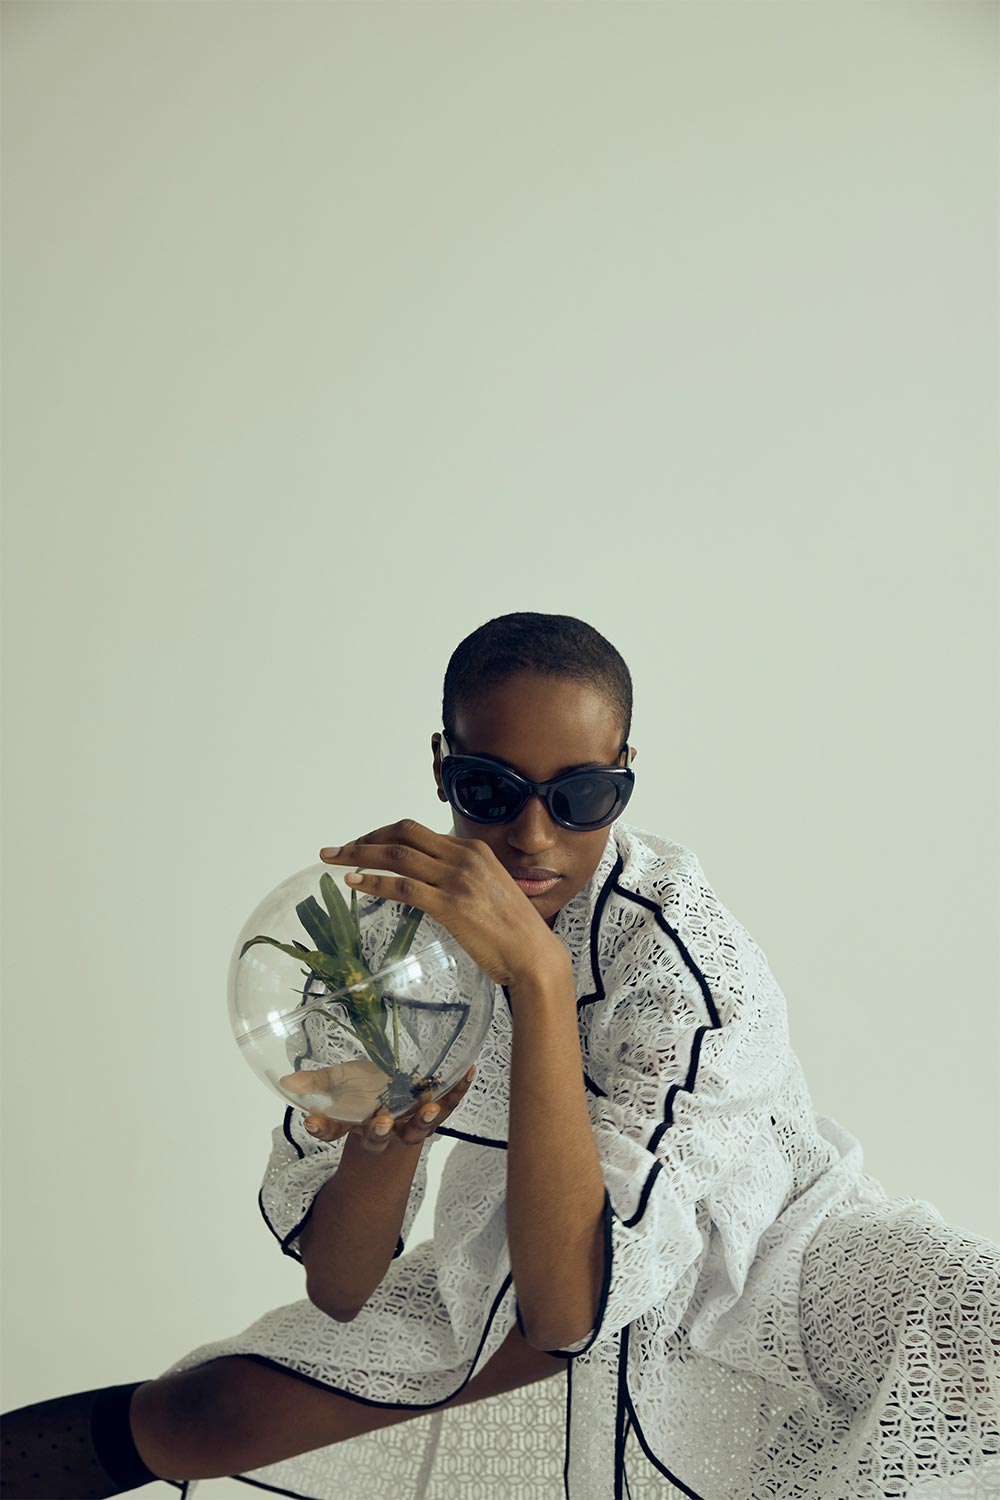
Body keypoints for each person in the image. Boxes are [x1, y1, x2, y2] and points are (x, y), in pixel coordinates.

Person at [3, 611, 998, 1500]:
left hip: (772, 1257)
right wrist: (385, 1144)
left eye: (582, 795)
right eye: (490, 789)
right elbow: (350, 1290)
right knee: (201, 1416)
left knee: (977, 1322)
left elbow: (572, 1311)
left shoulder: (691, 966)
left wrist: (539, 976)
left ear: (625, 771)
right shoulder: (374, 950)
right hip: (533, 1254)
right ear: (442, 766)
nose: (532, 836)